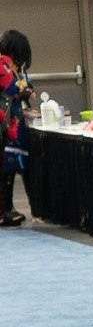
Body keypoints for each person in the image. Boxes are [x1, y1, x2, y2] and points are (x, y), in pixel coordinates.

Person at [1, 29, 34, 227]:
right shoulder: (2, 67)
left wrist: (28, 92)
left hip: (15, 124)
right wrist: (16, 96)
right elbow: (6, 93)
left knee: (10, 168)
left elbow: (22, 87)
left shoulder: (17, 70)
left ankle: (8, 207)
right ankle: (5, 208)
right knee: (5, 167)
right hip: (4, 124)